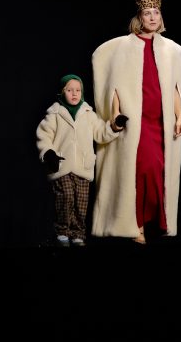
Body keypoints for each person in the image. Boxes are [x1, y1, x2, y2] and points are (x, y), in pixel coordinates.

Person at [91, 0, 181, 245]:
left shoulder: (172, 50)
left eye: (156, 12)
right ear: (139, 17)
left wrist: (179, 117)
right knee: (139, 170)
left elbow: (175, 89)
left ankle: (154, 223)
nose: (152, 17)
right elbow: (115, 84)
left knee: (158, 173)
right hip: (138, 122)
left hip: (160, 124)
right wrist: (116, 113)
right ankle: (137, 226)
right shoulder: (123, 47)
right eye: (147, 13)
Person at [36, 74, 128, 247]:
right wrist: (48, 153)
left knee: (81, 202)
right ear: (62, 92)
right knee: (66, 197)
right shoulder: (54, 113)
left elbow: (100, 132)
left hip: (83, 166)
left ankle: (78, 234)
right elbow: (44, 135)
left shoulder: (88, 113)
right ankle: (62, 232)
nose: (74, 94)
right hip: (62, 165)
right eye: (69, 90)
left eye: (78, 90)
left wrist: (115, 126)